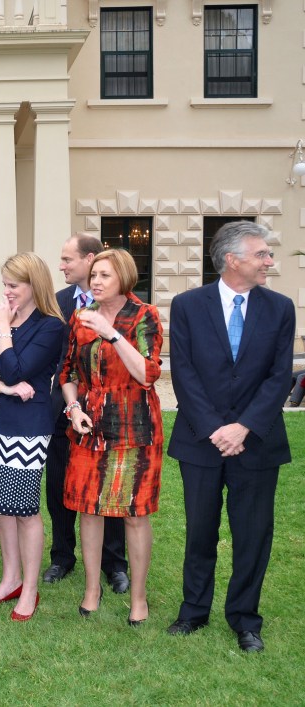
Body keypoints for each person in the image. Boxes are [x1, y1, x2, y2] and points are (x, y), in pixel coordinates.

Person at [167, 221, 294, 653]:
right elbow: (182, 372)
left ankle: (245, 619)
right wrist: (215, 428)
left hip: (257, 441)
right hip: (201, 440)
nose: (269, 262)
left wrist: (244, 427)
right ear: (231, 259)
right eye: (261, 254)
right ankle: (193, 611)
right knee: (200, 530)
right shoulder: (187, 305)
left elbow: (280, 376)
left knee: (252, 534)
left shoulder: (281, 307)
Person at [59, 248, 163, 626]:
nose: (96, 281)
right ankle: (91, 590)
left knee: (134, 514)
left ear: (124, 277)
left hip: (134, 425)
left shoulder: (144, 315)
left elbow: (148, 374)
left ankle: (139, 598)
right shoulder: (80, 317)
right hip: (89, 424)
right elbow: (68, 372)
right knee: (90, 509)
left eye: (104, 275)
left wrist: (113, 334)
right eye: (94, 275)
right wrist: (74, 409)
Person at [0, 252, 66, 622]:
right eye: (4, 285)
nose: (6, 292)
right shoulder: (0, 319)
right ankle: (10, 580)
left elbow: (16, 367)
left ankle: (31, 590)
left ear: (33, 285)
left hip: (25, 430)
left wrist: (5, 329)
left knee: (24, 509)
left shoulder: (50, 327)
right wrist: (5, 389)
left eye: (13, 286)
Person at [43, 234, 129, 593]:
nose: (61, 266)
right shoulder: (58, 303)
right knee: (60, 484)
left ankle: (114, 563)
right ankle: (62, 556)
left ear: (89, 259)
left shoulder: (123, 309)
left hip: (108, 413)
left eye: (67, 259)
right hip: (62, 409)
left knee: (109, 486)